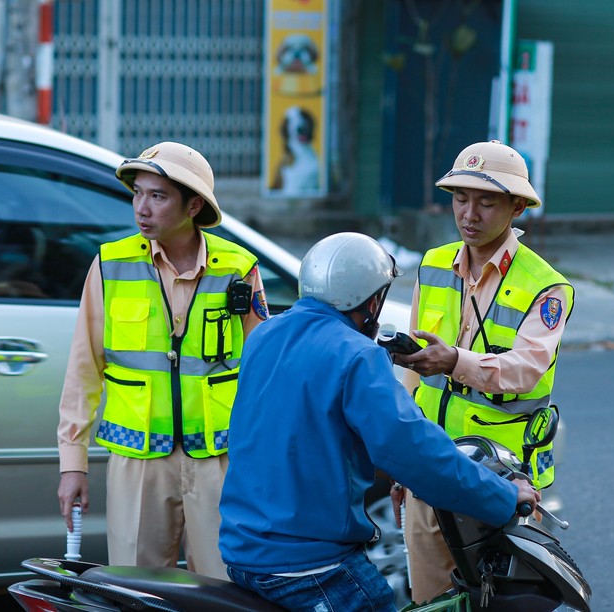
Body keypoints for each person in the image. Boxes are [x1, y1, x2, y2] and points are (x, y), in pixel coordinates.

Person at [218, 232, 539, 611]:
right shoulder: (357, 356)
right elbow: (416, 453)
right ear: (371, 300)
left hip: (243, 551)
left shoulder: (265, 335)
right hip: (310, 565)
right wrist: (502, 497)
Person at [56, 142, 269, 579]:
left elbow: (264, 370)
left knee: (225, 587)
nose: (141, 208)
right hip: (138, 462)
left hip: (220, 459)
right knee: (134, 588)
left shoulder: (238, 267)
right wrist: (72, 463)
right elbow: (84, 369)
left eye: (157, 196)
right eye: (137, 193)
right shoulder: (110, 265)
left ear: (193, 205)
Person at [390, 140, 575, 602]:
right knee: (430, 600)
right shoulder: (432, 266)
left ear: (516, 207)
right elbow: (414, 376)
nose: (469, 214)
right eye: (460, 198)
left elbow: (524, 371)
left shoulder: (547, 286)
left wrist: (454, 360)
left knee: (498, 599)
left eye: (486, 201)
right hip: (430, 465)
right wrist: (402, 465)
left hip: (500, 476)